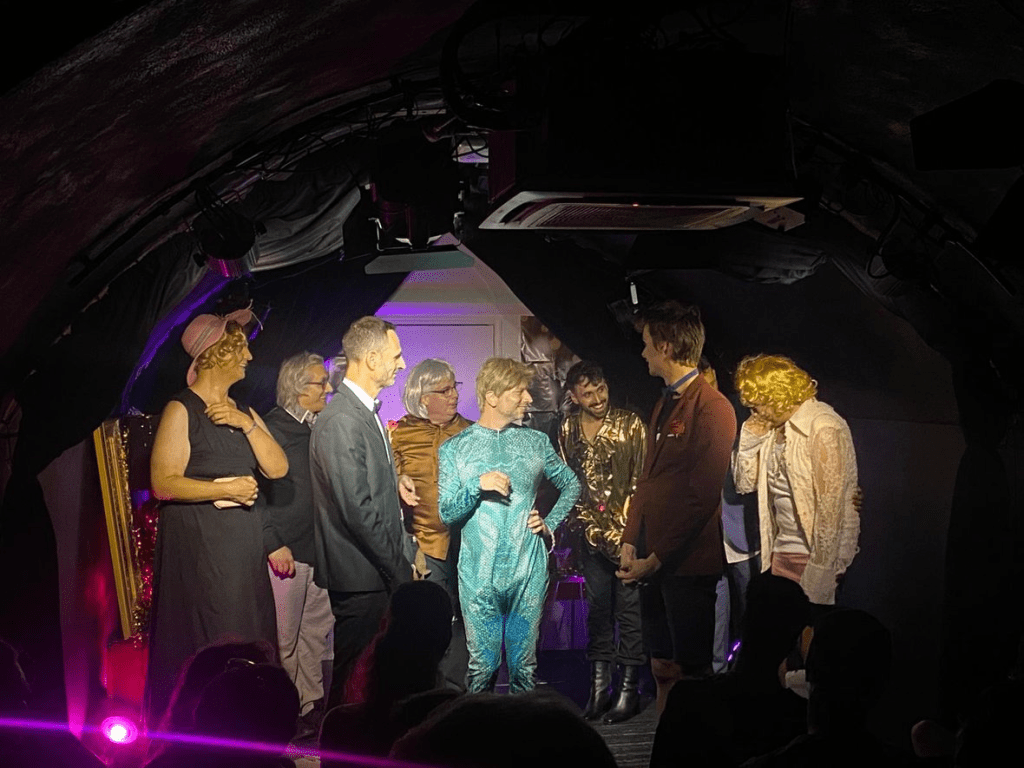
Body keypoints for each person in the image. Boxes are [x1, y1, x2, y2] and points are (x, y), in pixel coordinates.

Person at [146, 307, 288, 725]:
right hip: (202, 548)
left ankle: (253, 727)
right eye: (240, 348)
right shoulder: (182, 409)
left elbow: (278, 468)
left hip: (241, 549)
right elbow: (163, 483)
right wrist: (224, 489)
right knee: (211, 637)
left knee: (248, 631)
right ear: (216, 353)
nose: (248, 357)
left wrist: (246, 424)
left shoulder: (244, 411)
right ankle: (200, 727)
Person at [618, 301, 737, 716]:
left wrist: (656, 558)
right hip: (654, 560)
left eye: (648, 343)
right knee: (662, 665)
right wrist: (630, 539)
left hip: (686, 565)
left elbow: (702, 496)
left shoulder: (713, 406)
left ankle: (693, 741)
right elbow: (648, 478)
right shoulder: (665, 402)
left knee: (692, 670)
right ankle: (665, 737)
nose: (643, 352)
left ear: (666, 347)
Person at [439, 357, 581, 693]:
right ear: (492, 396)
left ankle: (521, 729)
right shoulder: (455, 449)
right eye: (519, 391)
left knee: (523, 669)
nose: (528, 399)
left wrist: (549, 523)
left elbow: (571, 484)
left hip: (527, 568)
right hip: (478, 574)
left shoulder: (535, 442)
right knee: (482, 669)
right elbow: (446, 512)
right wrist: (477, 485)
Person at [731, 354, 860, 688]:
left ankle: (809, 708)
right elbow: (744, 483)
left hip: (813, 557)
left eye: (758, 403)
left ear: (777, 395)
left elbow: (831, 508)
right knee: (776, 650)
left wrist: (822, 572)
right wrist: (750, 436)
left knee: (811, 651)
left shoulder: (823, 425)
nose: (754, 411)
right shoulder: (774, 428)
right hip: (780, 553)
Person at [310, 316, 417, 707]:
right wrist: (399, 567)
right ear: (372, 359)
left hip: (371, 571)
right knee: (352, 681)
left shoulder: (360, 412)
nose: (402, 364)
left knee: (370, 680)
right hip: (361, 574)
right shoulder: (342, 419)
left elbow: (364, 489)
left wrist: (394, 480)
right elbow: (356, 509)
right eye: (396, 355)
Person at [558, 359, 647, 723]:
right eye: (587, 393)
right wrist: (582, 528)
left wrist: (630, 536)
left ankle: (629, 690)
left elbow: (642, 482)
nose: (597, 399)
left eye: (601, 390)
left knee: (629, 612)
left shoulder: (630, 424)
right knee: (597, 612)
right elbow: (567, 481)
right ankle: (599, 689)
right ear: (573, 396)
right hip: (588, 535)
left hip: (627, 538)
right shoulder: (567, 428)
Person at [259, 352, 336, 736]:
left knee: (314, 635)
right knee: (285, 639)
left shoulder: (318, 427)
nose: (328, 388)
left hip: (319, 549)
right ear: (297, 387)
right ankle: (284, 714)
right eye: (320, 382)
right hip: (287, 552)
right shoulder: (271, 428)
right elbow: (257, 491)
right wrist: (273, 542)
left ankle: (310, 708)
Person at [390, 359, 473, 687]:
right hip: (424, 543)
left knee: (467, 620)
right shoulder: (400, 434)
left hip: (467, 544)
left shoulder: (471, 432)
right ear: (424, 397)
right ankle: (429, 689)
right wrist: (398, 480)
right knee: (431, 620)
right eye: (445, 390)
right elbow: (384, 479)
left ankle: (458, 692)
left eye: (455, 387)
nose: (455, 395)